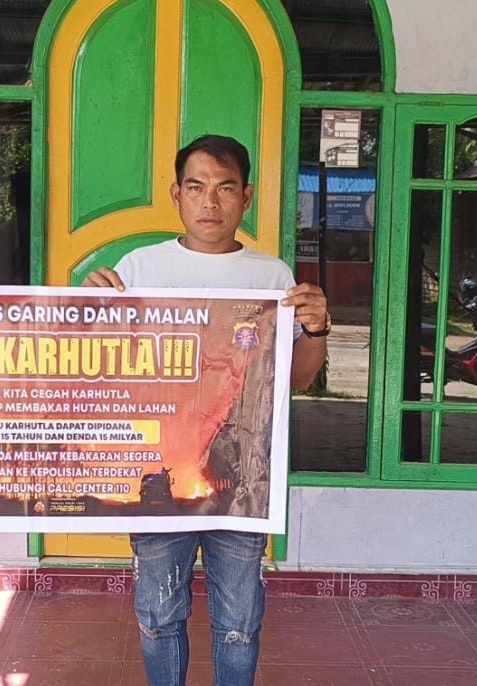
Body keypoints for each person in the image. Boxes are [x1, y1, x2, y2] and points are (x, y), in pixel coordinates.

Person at [82, 134, 330, 686]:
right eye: (196, 188)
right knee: (158, 617)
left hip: (241, 477)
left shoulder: (272, 277)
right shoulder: (137, 269)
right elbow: (99, 367)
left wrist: (316, 327)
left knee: (238, 623)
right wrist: (89, 306)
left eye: (225, 188)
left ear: (247, 197)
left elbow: (297, 378)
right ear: (177, 195)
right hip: (158, 475)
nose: (210, 202)